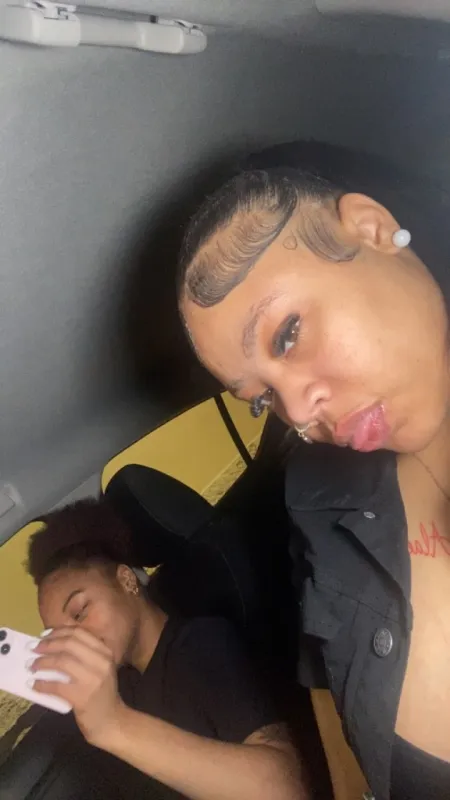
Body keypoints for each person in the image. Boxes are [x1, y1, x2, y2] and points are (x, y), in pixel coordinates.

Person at [177, 139, 450, 800]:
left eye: (287, 334)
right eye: (262, 399)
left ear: (372, 229)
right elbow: (332, 712)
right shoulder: (318, 503)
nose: (297, 412)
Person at [26, 498, 305, 800]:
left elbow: (286, 790)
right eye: (59, 634)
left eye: (80, 612)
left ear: (127, 580)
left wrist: (113, 724)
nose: (75, 641)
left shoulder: (201, 644)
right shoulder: (119, 685)